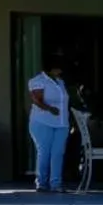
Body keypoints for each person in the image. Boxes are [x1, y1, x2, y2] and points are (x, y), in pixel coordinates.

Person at [28, 55, 70, 192]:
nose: (60, 71)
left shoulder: (60, 82)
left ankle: (56, 183)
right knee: (44, 152)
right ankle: (41, 182)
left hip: (61, 123)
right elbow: (36, 99)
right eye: (57, 68)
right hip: (42, 122)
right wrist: (50, 109)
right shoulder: (38, 81)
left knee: (58, 152)